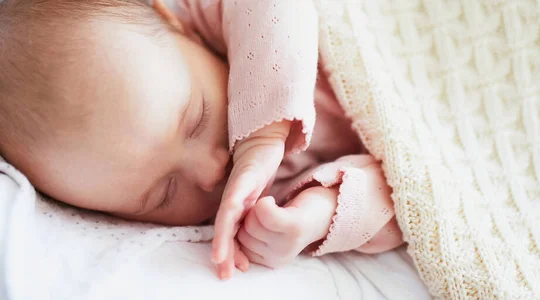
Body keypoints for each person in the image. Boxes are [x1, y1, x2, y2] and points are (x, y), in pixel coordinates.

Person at [0, 0, 404, 280]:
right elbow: (409, 198)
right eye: (163, 194)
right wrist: (317, 217)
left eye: (197, 119)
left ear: (172, 23)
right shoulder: (257, 208)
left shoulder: (218, 19)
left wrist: (261, 135)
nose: (212, 173)